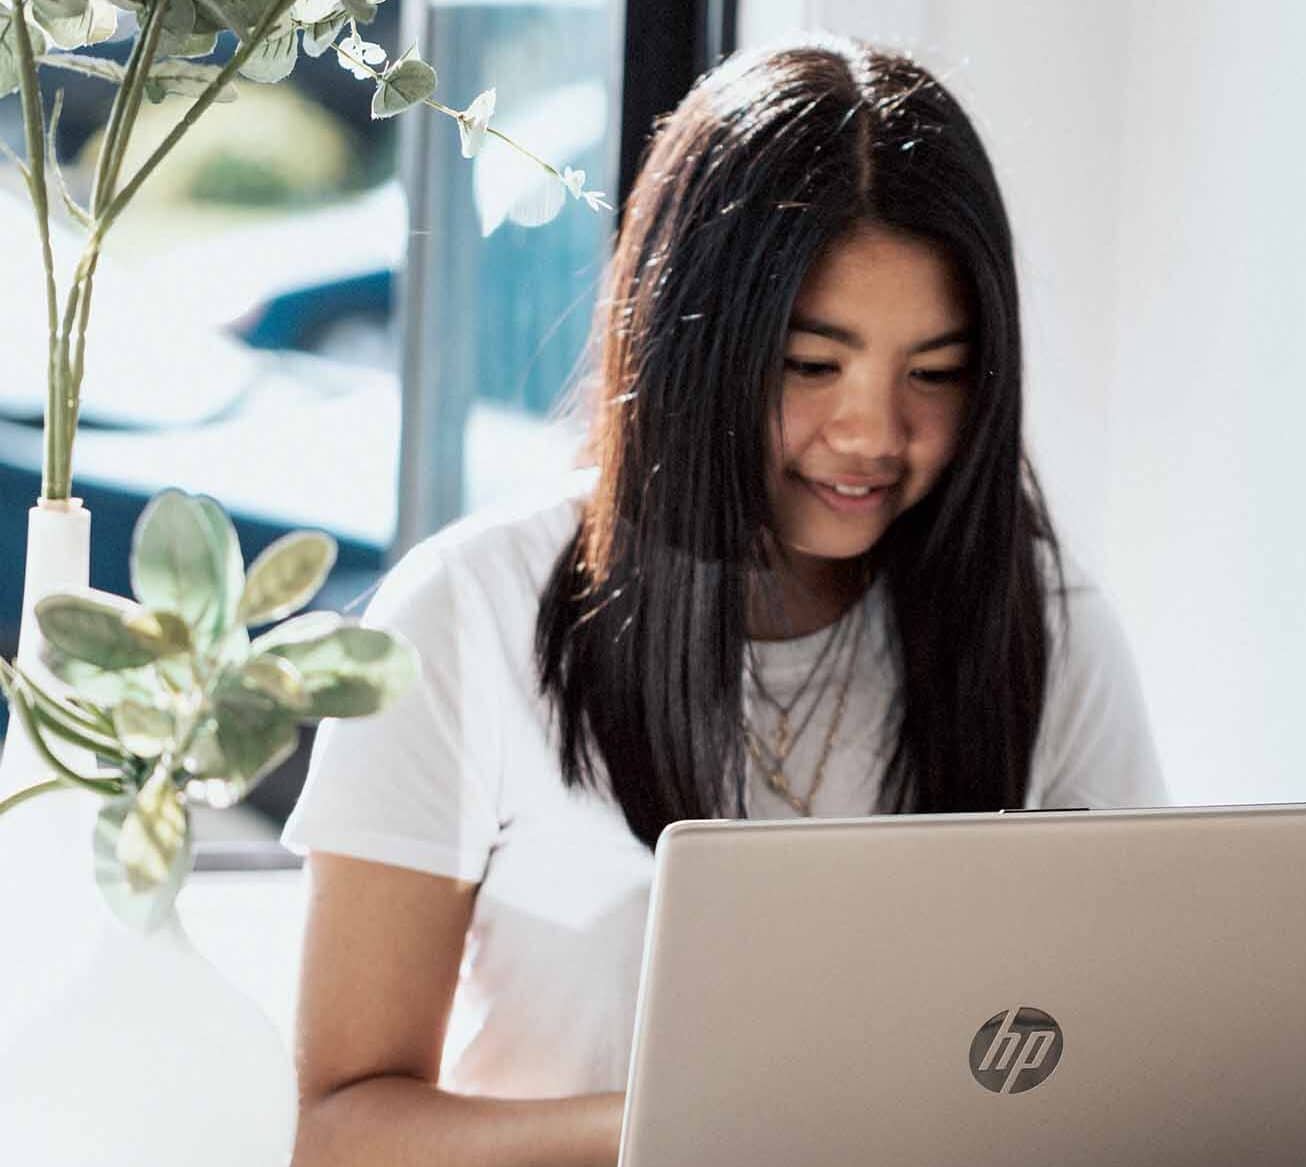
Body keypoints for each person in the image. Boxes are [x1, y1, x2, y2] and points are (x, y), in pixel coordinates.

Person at [283, 34, 1167, 1166]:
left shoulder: (1043, 626)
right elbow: (341, 1132)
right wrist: (702, 1121)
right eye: (812, 364)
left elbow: (1124, 1054)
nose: (872, 435)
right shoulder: (465, 616)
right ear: (696, 340)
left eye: (934, 373)